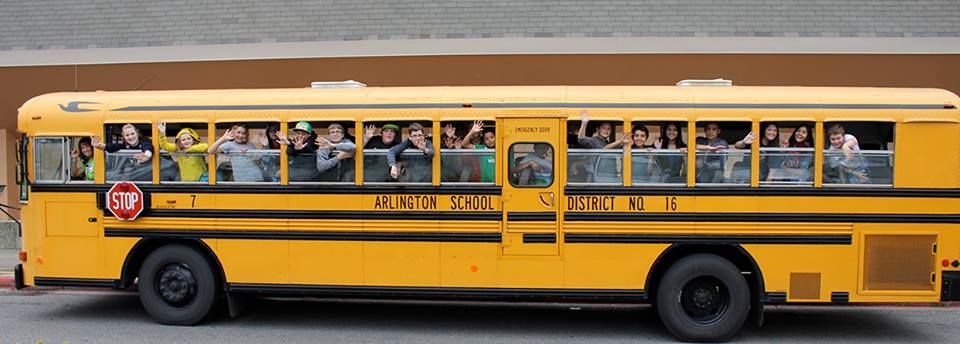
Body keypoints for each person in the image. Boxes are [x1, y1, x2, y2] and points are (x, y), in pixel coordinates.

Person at [577, 111, 621, 183]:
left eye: (608, 129)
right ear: (598, 129)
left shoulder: (608, 142)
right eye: (603, 128)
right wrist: (584, 123)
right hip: (597, 178)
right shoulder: (594, 141)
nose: (606, 130)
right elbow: (581, 139)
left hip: (609, 177)